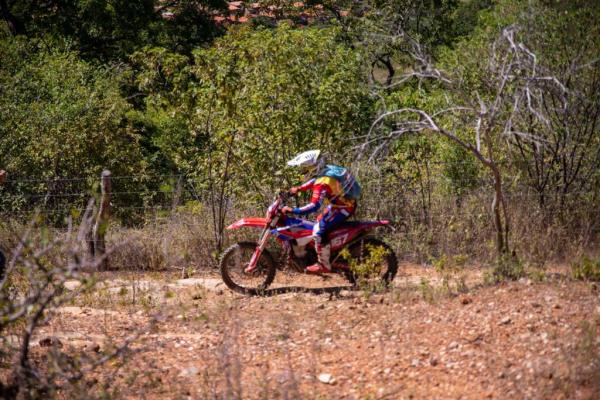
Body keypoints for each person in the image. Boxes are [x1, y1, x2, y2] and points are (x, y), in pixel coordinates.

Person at [281, 150, 361, 273]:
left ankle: (323, 265)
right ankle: (330, 252)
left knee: (318, 231)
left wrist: (293, 210)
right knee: (318, 222)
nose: (303, 171)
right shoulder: (329, 169)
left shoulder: (322, 182)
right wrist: (299, 188)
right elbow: (315, 180)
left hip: (343, 208)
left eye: (305, 168)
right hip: (342, 204)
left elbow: (314, 206)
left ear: (313, 167)